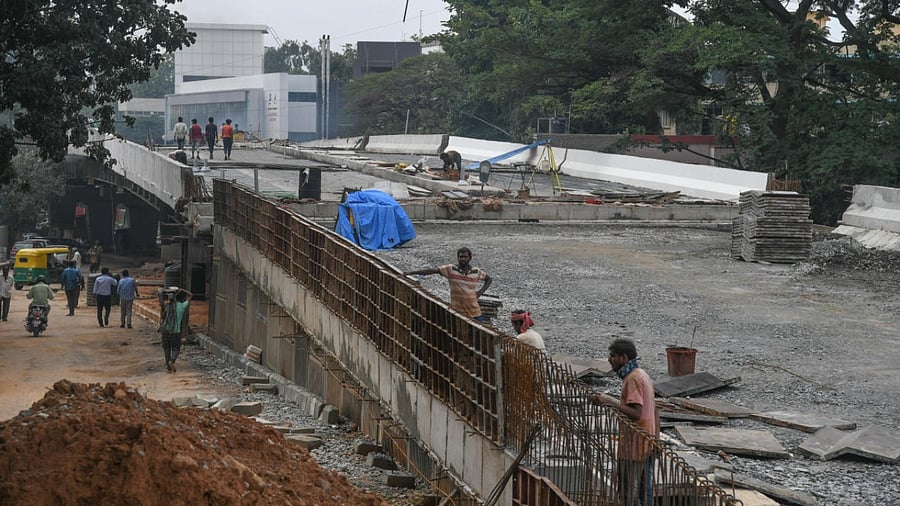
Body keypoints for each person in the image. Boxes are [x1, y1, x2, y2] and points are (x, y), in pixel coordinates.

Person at [590, 339, 660, 506]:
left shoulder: (632, 379)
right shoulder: (642, 373)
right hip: (648, 441)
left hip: (635, 445)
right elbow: (654, 410)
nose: (609, 359)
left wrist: (607, 402)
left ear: (623, 358)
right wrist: (656, 439)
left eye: (613, 356)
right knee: (645, 492)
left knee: (628, 493)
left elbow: (636, 413)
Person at [404, 247, 492, 322]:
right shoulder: (451, 269)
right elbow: (432, 271)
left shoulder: (476, 272)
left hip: (475, 313)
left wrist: (480, 292)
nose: (463, 259)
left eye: (465, 257)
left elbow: (489, 279)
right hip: (458, 313)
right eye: (461, 257)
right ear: (458, 258)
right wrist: (411, 273)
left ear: (470, 258)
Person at [159, 287, 192, 373]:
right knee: (176, 348)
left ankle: (168, 368)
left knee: (167, 350)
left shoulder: (166, 306)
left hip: (165, 331)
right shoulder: (181, 306)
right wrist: (182, 290)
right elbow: (190, 295)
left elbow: (162, 315)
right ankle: (172, 361)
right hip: (176, 332)